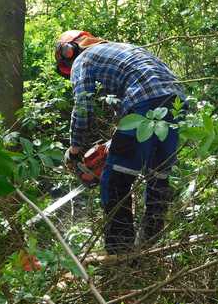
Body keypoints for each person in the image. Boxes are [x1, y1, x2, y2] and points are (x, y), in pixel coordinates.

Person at [55, 30, 185, 254]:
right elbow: (126, 111)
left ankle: (120, 254)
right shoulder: (121, 50)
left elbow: (83, 105)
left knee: (115, 180)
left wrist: (75, 150)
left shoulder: (83, 59)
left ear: (68, 51)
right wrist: (112, 144)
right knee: (158, 176)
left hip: (143, 102)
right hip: (177, 103)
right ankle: (149, 247)